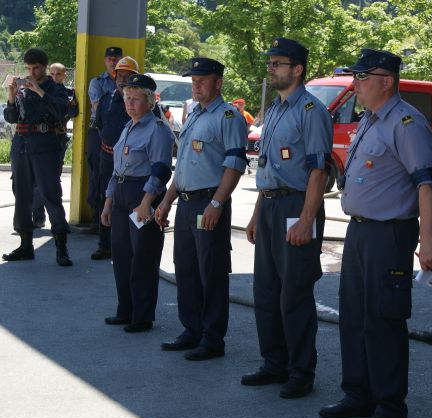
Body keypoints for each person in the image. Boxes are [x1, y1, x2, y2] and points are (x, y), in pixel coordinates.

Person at [318, 49, 432, 418]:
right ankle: (358, 394)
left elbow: (427, 181)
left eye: (362, 77)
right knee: (354, 316)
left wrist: (428, 239)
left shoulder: (406, 122)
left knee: (383, 320)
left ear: (387, 80)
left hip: (388, 234)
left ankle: (389, 407)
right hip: (360, 231)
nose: (355, 84)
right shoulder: (371, 120)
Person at [241, 37, 332, 399]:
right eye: (271, 63)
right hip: (271, 205)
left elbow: (317, 171)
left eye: (278, 63)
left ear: (298, 69)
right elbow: (268, 169)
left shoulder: (311, 111)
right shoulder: (276, 108)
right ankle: (274, 363)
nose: (271, 68)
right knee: (266, 290)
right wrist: (255, 214)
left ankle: (300, 371)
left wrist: (307, 219)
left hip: (297, 206)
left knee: (294, 293)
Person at [155, 57, 247, 360]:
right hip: (186, 202)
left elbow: (234, 164)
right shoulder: (194, 114)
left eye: (202, 79)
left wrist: (217, 203)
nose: (196, 84)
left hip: (209, 202)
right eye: (193, 79)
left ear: (218, 82)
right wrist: (167, 201)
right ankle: (191, 329)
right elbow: (183, 167)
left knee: (212, 272)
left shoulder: (229, 116)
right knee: (186, 269)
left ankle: (212, 338)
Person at [100, 73, 173, 333]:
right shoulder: (128, 126)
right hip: (121, 193)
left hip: (142, 194)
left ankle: (141, 316)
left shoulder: (157, 129)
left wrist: (146, 204)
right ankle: (125, 310)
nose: (130, 103)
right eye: (127, 98)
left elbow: (161, 170)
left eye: (136, 99)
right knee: (121, 255)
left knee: (142, 257)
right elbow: (116, 169)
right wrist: (108, 203)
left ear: (150, 101)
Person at [2, 48, 72, 266]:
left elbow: (62, 111)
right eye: (29, 68)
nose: (31, 73)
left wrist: (40, 91)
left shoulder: (55, 88)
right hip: (22, 143)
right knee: (21, 194)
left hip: (45, 145)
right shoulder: (23, 89)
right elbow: (12, 117)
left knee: (51, 194)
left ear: (44, 66)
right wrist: (11, 95)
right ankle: (25, 244)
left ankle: (61, 246)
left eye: (36, 68)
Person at [91, 56, 140, 260]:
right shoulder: (106, 100)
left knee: (130, 201)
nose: (122, 79)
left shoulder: (141, 102)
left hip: (132, 162)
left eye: (127, 76)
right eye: (119, 75)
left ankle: (129, 245)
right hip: (107, 156)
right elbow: (101, 125)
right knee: (105, 199)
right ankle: (104, 245)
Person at [32, 62, 78, 228]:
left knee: (52, 179)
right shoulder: (38, 90)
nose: (54, 77)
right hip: (38, 140)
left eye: (58, 74)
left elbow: (71, 111)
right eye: (51, 74)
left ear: (64, 76)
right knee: (36, 180)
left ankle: (57, 220)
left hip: (57, 139)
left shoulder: (67, 94)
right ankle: (38, 215)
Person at [88, 46, 122, 230]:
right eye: (110, 58)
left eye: (116, 58)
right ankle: (97, 218)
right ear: (105, 60)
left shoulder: (130, 83)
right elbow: (98, 108)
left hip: (121, 134)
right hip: (99, 132)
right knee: (98, 176)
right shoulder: (97, 82)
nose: (113, 61)